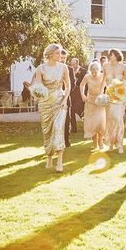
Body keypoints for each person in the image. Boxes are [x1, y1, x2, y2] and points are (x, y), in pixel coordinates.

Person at [31, 43, 70, 171]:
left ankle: (60, 161)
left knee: (59, 129)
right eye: (58, 53)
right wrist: (36, 93)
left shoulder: (63, 67)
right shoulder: (40, 69)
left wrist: (64, 100)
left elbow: (68, 86)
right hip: (45, 103)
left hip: (60, 102)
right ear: (51, 54)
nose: (60, 55)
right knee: (47, 131)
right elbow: (38, 87)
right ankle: (49, 156)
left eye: (60, 53)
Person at [102, 48, 126, 153]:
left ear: (117, 56)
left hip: (120, 97)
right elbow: (103, 81)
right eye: (110, 55)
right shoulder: (105, 66)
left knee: (118, 120)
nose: (110, 56)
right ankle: (110, 143)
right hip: (109, 96)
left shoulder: (123, 67)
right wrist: (101, 94)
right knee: (109, 120)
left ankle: (120, 144)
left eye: (112, 55)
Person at [80, 61, 106, 151]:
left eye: (96, 72)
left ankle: (101, 142)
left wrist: (104, 95)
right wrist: (83, 95)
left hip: (100, 102)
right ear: (90, 70)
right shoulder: (87, 76)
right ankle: (95, 144)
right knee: (92, 123)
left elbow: (107, 85)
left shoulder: (103, 75)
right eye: (92, 72)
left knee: (101, 123)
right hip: (90, 102)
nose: (94, 74)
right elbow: (81, 85)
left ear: (99, 70)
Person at [69, 57, 87, 133]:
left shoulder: (83, 71)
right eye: (71, 64)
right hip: (72, 94)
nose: (72, 66)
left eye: (74, 64)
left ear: (77, 63)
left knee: (80, 111)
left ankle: (87, 125)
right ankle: (74, 128)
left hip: (80, 94)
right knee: (72, 111)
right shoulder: (69, 70)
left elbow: (85, 83)